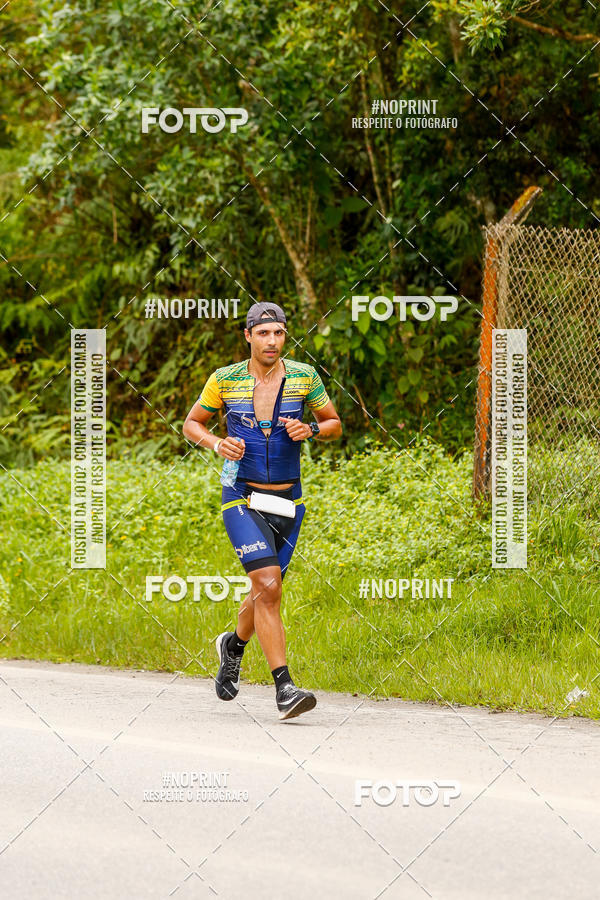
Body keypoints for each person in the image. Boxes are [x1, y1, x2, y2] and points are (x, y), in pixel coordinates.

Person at [183, 302, 342, 719]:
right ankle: (285, 688)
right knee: (270, 587)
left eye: (279, 334)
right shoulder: (224, 379)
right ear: (249, 336)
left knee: (262, 591)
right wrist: (217, 443)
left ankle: (232, 646)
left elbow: (334, 423)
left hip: (290, 501)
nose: (272, 341)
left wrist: (310, 428)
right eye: (264, 333)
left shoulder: (305, 377)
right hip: (242, 497)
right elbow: (191, 424)